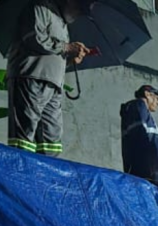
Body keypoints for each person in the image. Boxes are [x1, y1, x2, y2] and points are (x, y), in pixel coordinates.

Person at [5, 0, 93, 157]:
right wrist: (67, 47)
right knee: (25, 134)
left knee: (51, 139)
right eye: (79, 9)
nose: (78, 14)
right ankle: (19, 167)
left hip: (53, 84)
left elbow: (51, 56)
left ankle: (46, 169)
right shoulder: (40, 8)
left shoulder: (62, 23)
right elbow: (34, 38)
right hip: (31, 77)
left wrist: (70, 60)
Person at [119, 84, 158, 184]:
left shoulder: (142, 111)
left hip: (149, 171)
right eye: (157, 99)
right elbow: (141, 137)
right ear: (147, 94)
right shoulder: (138, 107)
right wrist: (151, 171)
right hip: (145, 172)